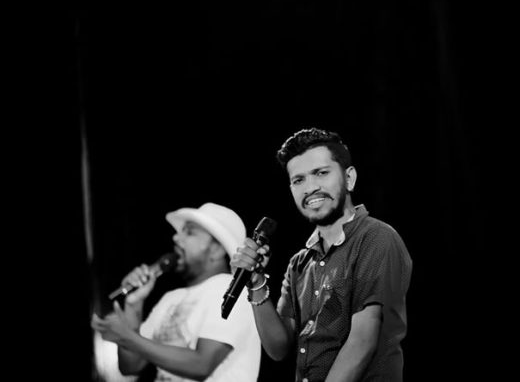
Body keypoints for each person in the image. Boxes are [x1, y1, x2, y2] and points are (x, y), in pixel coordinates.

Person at [232, 127, 413, 382]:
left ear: (349, 178)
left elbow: (362, 343)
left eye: (321, 173)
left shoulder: (376, 238)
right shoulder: (299, 263)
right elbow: (278, 348)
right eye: (299, 180)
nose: (310, 188)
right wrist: (256, 283)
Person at [92, 202, 262, 382]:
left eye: (189, 233)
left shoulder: (232, 291)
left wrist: (128, 337)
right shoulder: (171, 299)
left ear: (216, 250)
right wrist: (134, 305)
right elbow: (131, 366)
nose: (176, 238)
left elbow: (201, 365)